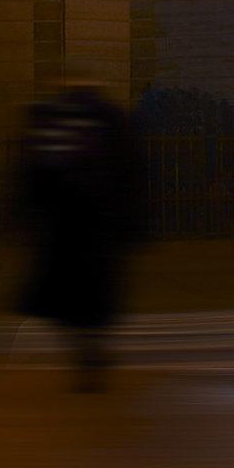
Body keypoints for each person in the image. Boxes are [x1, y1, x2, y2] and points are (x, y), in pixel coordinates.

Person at [14, 85, 146, 381]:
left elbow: (37, 174)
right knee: (97, 293)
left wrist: (30, 215)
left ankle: (86, 348)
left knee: (68, 294)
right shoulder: (110, 120)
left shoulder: (55, 121)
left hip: (68, 224)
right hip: (100, 223)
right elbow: (130, 172)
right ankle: (92, 346)